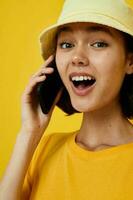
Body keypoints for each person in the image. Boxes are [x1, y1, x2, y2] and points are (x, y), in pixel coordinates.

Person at [0, 0, 133, 199]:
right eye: (67, 44)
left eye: (98, 43)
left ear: (130, 62)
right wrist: (29, 133)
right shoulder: (42, 148)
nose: (77, 57)